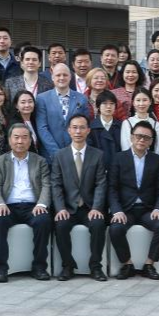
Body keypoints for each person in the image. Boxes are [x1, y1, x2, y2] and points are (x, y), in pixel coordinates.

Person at [0, 123, 54, 282]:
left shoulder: (40, 161)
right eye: (16, 137)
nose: (20, 141)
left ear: (30, 141)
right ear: (9, 140)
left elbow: (47, 185)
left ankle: (39, 267)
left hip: (33, 206)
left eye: (24, 137)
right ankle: (1, 269)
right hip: (8, 206)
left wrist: (41, 204)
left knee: (43, 221)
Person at [49, 114, 110, 281]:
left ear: (88, 130)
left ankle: (95, 267)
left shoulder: (97, 155)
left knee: (98, 224)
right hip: (68, 208)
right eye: (74, 127)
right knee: (60, 225)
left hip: (90, 207)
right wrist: (60, 208)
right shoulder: (59, 155)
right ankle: (67, 266)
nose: (78, 131)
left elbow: (101, 184)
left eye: (82, 127)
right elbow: (56, 184)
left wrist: (96, 208)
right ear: (68, 130)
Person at [107, 121, 159, 280]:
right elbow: (112, 188)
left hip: (148, 210)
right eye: (138, 136)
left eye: (146, 137)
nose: (142, 140)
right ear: (131, 137)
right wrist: (117, 210)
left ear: (151, 141)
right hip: (126, 210)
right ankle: (127, 264)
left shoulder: (157, 160)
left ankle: (149, 264)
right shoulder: (119, 158)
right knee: (116, 228)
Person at [35, 63, 91, 156]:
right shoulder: (42, 99)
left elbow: (85, 126)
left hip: (75, 153)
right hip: (50, 154)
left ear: (70, 77)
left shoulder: (82, 98)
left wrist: (74, 150)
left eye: (65, 75)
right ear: (52, 77)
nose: (62, 78)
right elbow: (42, 128)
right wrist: (56, 153)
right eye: (58, 75)